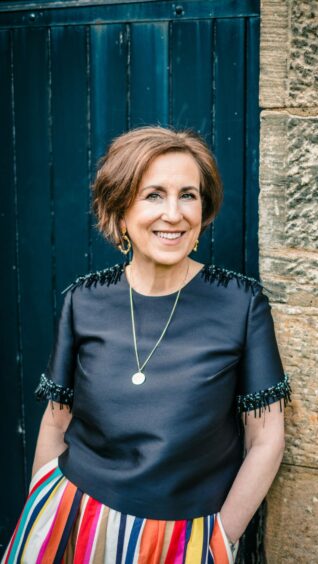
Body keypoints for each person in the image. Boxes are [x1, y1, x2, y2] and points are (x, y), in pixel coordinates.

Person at [2, 126, 291, 564]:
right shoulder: (84, 300)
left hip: (182, 538)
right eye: (153, 195)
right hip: (72, 517)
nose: (173, 214)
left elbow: (266, 439)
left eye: (188, 195)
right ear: (120, 210)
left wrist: (220, 540)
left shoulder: (241, 304)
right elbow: (56, 422)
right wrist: (39, 510)